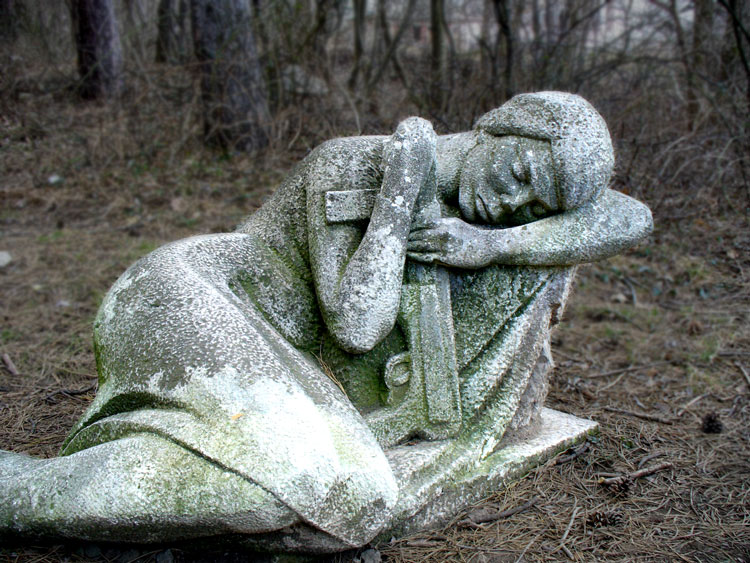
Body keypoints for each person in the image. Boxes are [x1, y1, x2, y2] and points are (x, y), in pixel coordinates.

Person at [0, 92, 652, 552]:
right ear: (503, 126)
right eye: (520, 175)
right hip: (193, 296)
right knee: (315, 485)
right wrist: (399, 193)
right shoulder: (352, 163)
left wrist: (495, 244)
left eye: (535, 205)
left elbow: (629, 215)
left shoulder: (497, 217)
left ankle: (118, 478)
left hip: (285, 355)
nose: (512, 202)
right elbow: (358, 325)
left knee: (349, 496)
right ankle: (27, 493)